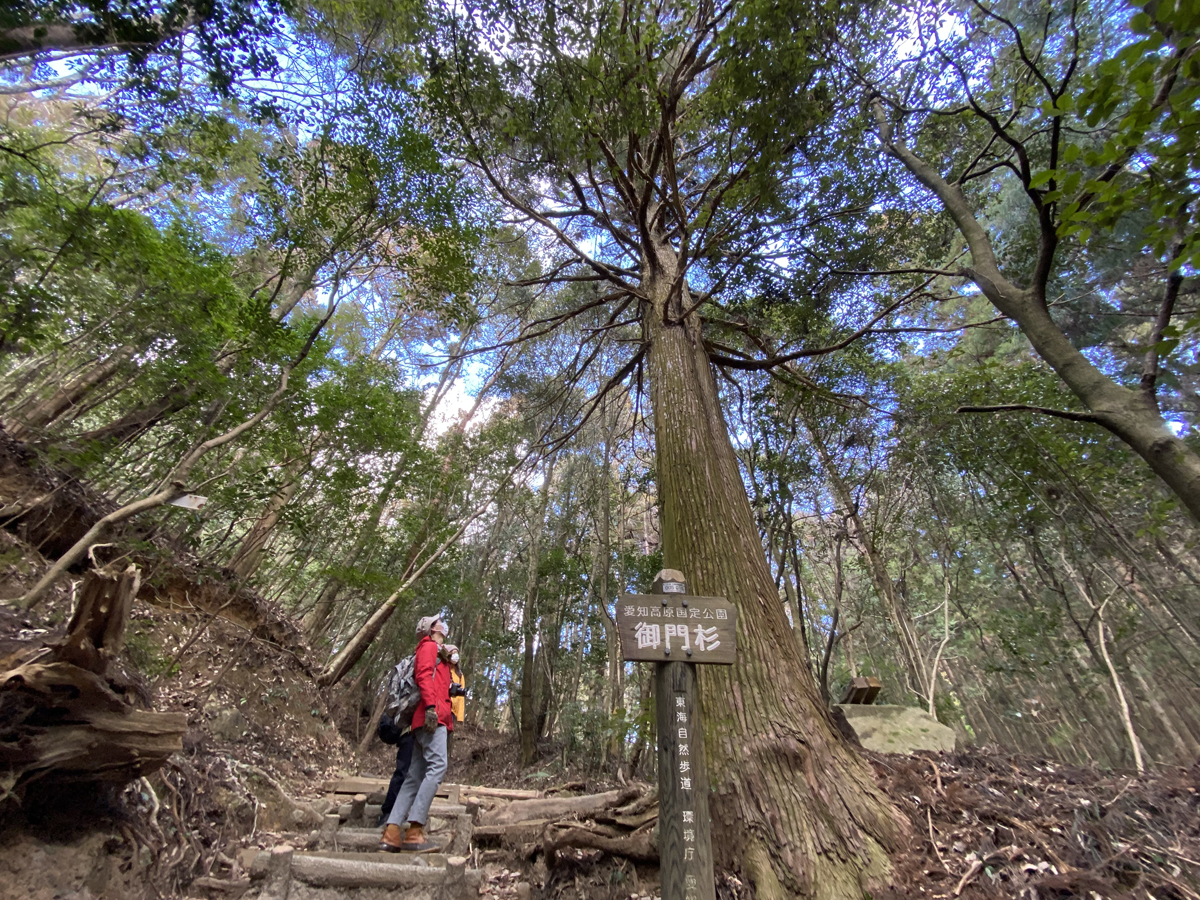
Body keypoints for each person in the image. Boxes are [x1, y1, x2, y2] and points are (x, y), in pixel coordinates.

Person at [380, 615, 454, 853]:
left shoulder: (436, 651)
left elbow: (435, 677)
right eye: (438, 623)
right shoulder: (428, 647)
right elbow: (422, 675)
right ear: (431, 630)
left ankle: (392, 832)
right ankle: (414, 829)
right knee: (438, 767)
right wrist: (433, 707)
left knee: (413, 776)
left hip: (426, 718)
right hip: (432, 718)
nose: (442, 625)